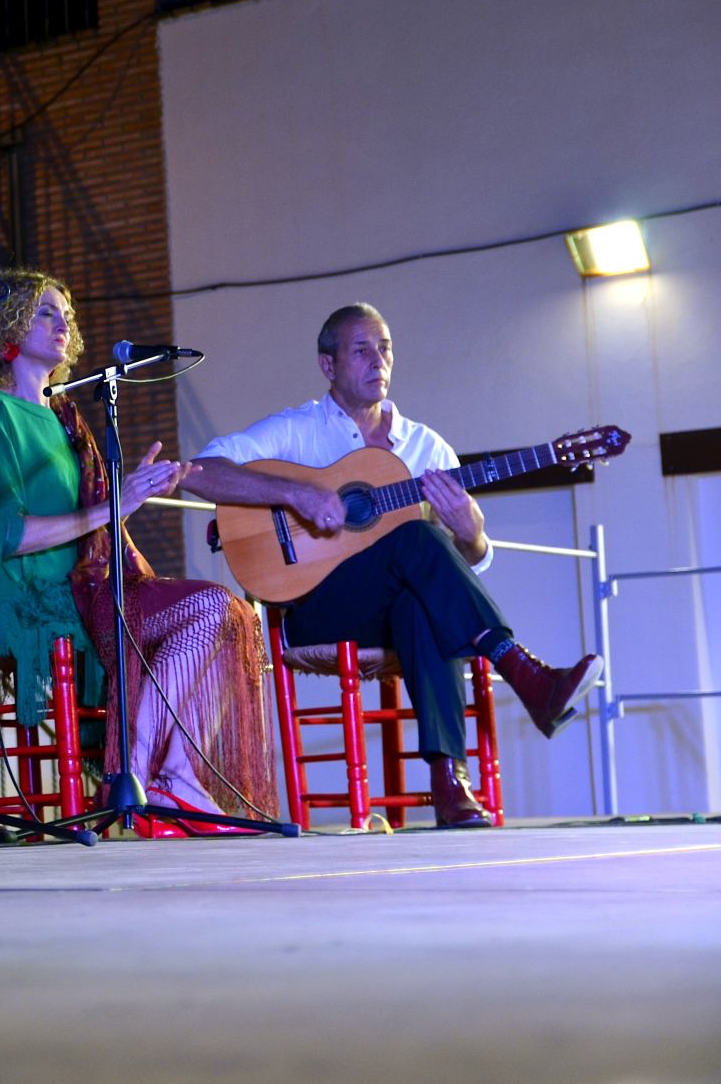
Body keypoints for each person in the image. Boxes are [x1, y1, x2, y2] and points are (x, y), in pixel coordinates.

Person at [184, 303, 602, 827]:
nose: (377, 359)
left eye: (385, 348)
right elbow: (198, 472)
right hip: (316, 607)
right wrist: (295, 493)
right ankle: (522, 671)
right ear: (328, 365)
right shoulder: (299, 430)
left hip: (393, 606)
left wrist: (471, 532)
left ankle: (449, 784)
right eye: (361, 349)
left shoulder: (427, 447)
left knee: (419, 599)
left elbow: (464, 559)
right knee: (417, 538)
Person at [0, 268, 273, 833]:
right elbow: (7, 535)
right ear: (7, 325)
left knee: (229, 613)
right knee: (212, 608)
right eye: (45, 312)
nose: (62, 323)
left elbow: (103, 523)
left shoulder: (66, 419)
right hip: (33, 592)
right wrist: (112, 507)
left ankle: (163, 772)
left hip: (88, 584)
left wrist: (135, 494)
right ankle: (143, 774)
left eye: (66, 315)